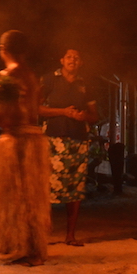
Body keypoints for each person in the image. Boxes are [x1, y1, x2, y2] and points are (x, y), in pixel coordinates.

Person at [0, 30, 51, 265]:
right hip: (34, 139)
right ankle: (33, 248)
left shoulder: (8, 75)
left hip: (15, 141)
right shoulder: (31, 76)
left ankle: (17, 246)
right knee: (30, 198)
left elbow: (4, 110)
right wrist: (1, 88)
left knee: (13, 198)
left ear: (3, 50)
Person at [40, 48, 98, 246]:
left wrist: (84, 117)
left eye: (77, 57)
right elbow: (36, 108)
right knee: (47, 187)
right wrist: (63, 112)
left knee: (75, 188)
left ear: (81, 63)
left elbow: (95, 115)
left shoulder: (85, 84)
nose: (73, 60)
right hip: (53, 140)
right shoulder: (49, 80)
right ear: (61, 60)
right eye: (69, 57)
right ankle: (43, 234)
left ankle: (70, 235)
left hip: (78, 140)